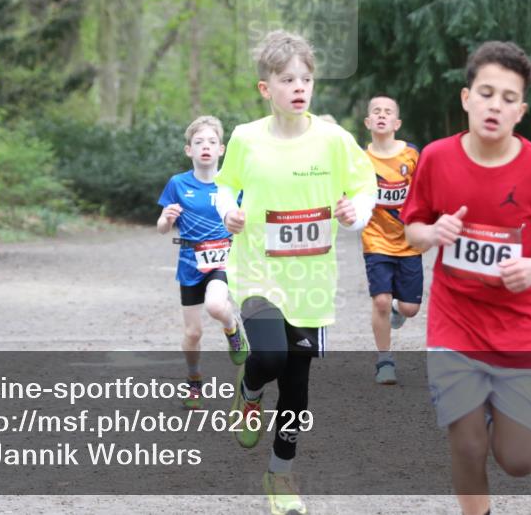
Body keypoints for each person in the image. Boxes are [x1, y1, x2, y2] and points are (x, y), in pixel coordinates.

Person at [400, 41, 531, 515]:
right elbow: (411, 231)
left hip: (515, 327)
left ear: (521, 110)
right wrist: (433, 231)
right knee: (467, 443)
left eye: (507, 97)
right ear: (466, 98)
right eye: (486, 92)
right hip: (454, 323)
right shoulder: (436, 158)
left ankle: (501, 406)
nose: (494, 104)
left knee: (518, 460)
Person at [214, 30, 376, 515]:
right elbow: (225, 186)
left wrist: (357, 213)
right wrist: (229, 212)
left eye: (306, 78)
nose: (299, 87)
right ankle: (249, 389)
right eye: (287, 79)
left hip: (311, 283)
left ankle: (280, 474)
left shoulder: (334, 139)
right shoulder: (245, 138)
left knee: (298, 386)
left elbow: (363, 186)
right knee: (267, 357)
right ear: (267, 88)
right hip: (259, 274)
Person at [157, 116, 249, 410]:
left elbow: (247, 221)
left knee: (217, 306)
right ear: (189, 150)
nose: (205, 147)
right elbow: (161, 227)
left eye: (211, 142)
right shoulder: (177, 184)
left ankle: (232, 329)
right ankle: (194, 381)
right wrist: (166, 219)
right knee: (192, 333)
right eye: (199, 143)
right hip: (190, 264)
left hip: (223, 261)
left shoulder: (233, 185)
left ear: (221, 149)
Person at [361, 95, 423, 384]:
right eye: (376, 112)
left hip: (408, 239)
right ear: (368, 122)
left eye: (388, 112)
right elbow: (351, 191)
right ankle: (384, 361)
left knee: (409, 308)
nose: (382, 115)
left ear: (397, 123)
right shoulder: (361, 159)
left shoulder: (411, 155)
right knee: (382, 301)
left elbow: (425, 189)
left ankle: (400, 310)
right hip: (375, 239)